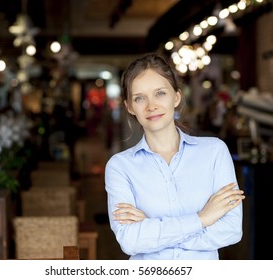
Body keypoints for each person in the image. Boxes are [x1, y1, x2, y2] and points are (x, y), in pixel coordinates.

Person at [104, 53, 245, 260]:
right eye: (139, 98)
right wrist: (202, 218)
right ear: (129, 107)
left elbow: (232, 230)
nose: (151, 106)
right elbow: (130, 241)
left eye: (160, 93)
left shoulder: (215, 152)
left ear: (176, 97)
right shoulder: (120, 167)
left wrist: (152, 229)